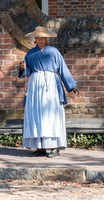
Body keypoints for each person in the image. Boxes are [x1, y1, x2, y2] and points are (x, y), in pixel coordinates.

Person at [18, 26, 79, 158]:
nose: (40, 40)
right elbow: (27, 72)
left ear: (46, 39)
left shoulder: (53, 52)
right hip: (35, 86)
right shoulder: (30, 53)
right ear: (35, 39)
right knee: (36, 114)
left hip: (51, 84)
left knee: (51, 114)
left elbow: (62, 68)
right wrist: (22, 68)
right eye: (38, 38)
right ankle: (40, 147)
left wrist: (71, 85)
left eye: (42, 38)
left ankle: (54, 146)